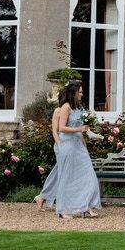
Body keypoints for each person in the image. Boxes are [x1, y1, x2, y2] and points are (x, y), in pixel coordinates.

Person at [54, 82, 102, 219]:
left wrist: (85, 139)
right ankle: (62, 210)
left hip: (79, 145)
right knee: (67, 177)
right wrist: (79, 129)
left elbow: (81, 128)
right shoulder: (66, 107)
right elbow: (61, 128)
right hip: (67, 145)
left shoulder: (79, 108)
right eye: (80, 92)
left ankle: (85, 205)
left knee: (89, 175)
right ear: (74, 93)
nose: (82, 94)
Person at [33, 104, 62, 211]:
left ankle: (42, 197)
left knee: (58, 172)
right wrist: (60, 145)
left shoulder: (72, 110)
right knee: (61, 172)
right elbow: (55, 130)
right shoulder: (58, 111)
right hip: (61, 144)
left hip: (71, 145)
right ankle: (43, 196)